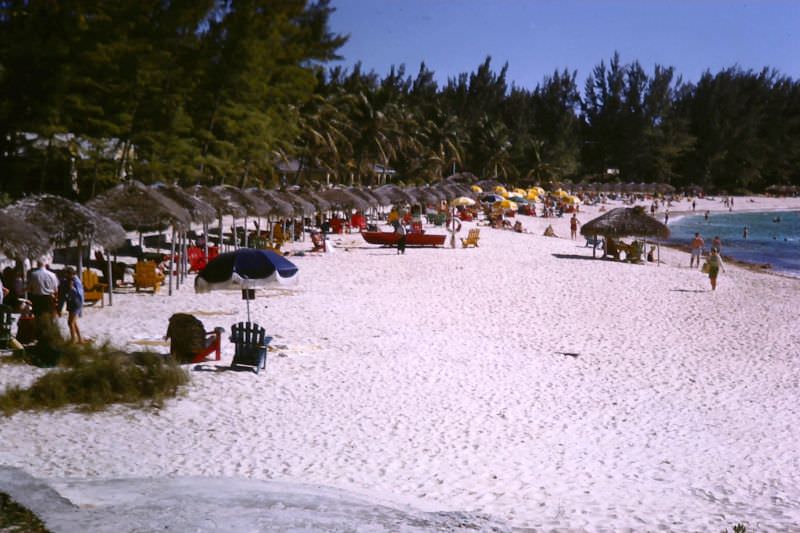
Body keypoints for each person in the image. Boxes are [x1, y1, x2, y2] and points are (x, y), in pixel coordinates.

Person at [58, 271, 84, 343]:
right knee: (73, 322)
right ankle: (80, 338)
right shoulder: (68, 282)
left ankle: (73, 340)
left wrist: (71, 288)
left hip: (75, 304)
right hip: (73, 304)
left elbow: (79, 294)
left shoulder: (74, 282)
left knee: (70, 322)